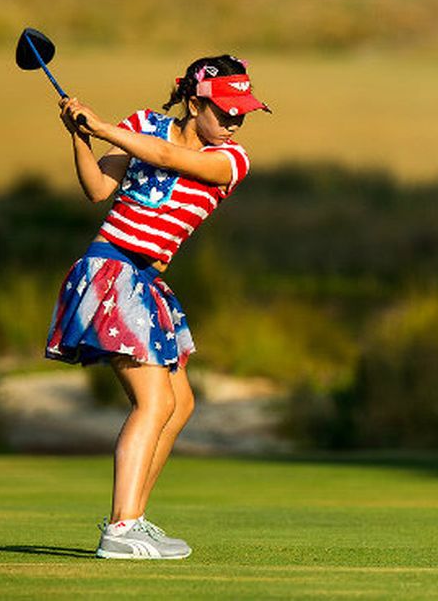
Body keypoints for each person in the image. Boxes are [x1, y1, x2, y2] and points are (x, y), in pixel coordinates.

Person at [43, 54, 270, 560]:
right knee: (155, 403)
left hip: (145, 281)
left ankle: (133, 520)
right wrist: (80, 136)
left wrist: (100, 127)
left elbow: (167, 159)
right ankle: (121, 527)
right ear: (195, 101)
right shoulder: (144, 124)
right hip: (112, 270)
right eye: (225, 111)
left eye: (242, 113)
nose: (235, 121)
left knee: (180, 403)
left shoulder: (233, 161)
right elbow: (98, 188)